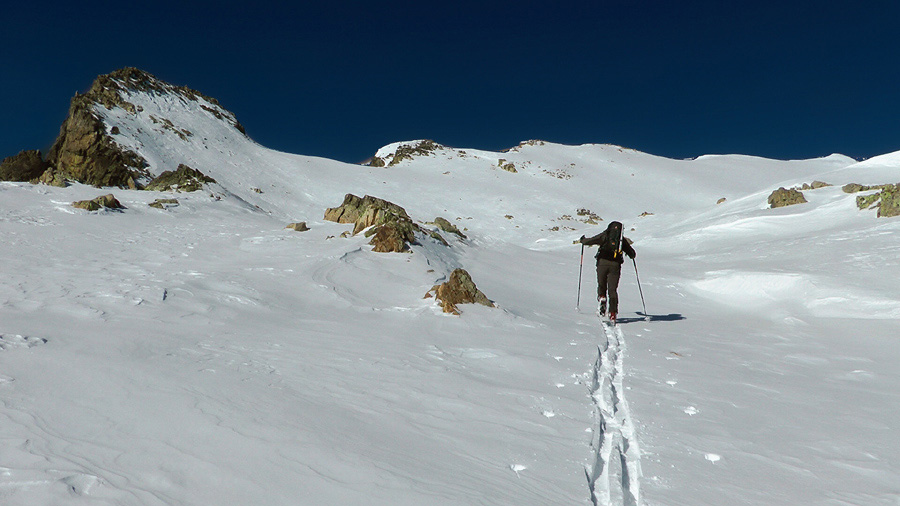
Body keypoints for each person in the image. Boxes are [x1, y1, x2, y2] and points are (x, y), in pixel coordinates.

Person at [579, 221, 635, 323]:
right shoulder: (621, 241)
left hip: (602, 263)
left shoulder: (605, 235)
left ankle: (602, 297)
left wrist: (583, 240)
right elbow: (632, 254)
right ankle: (613, 313)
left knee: (601, 284)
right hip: (615, 266)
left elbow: (591, 240)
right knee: (612, 290)